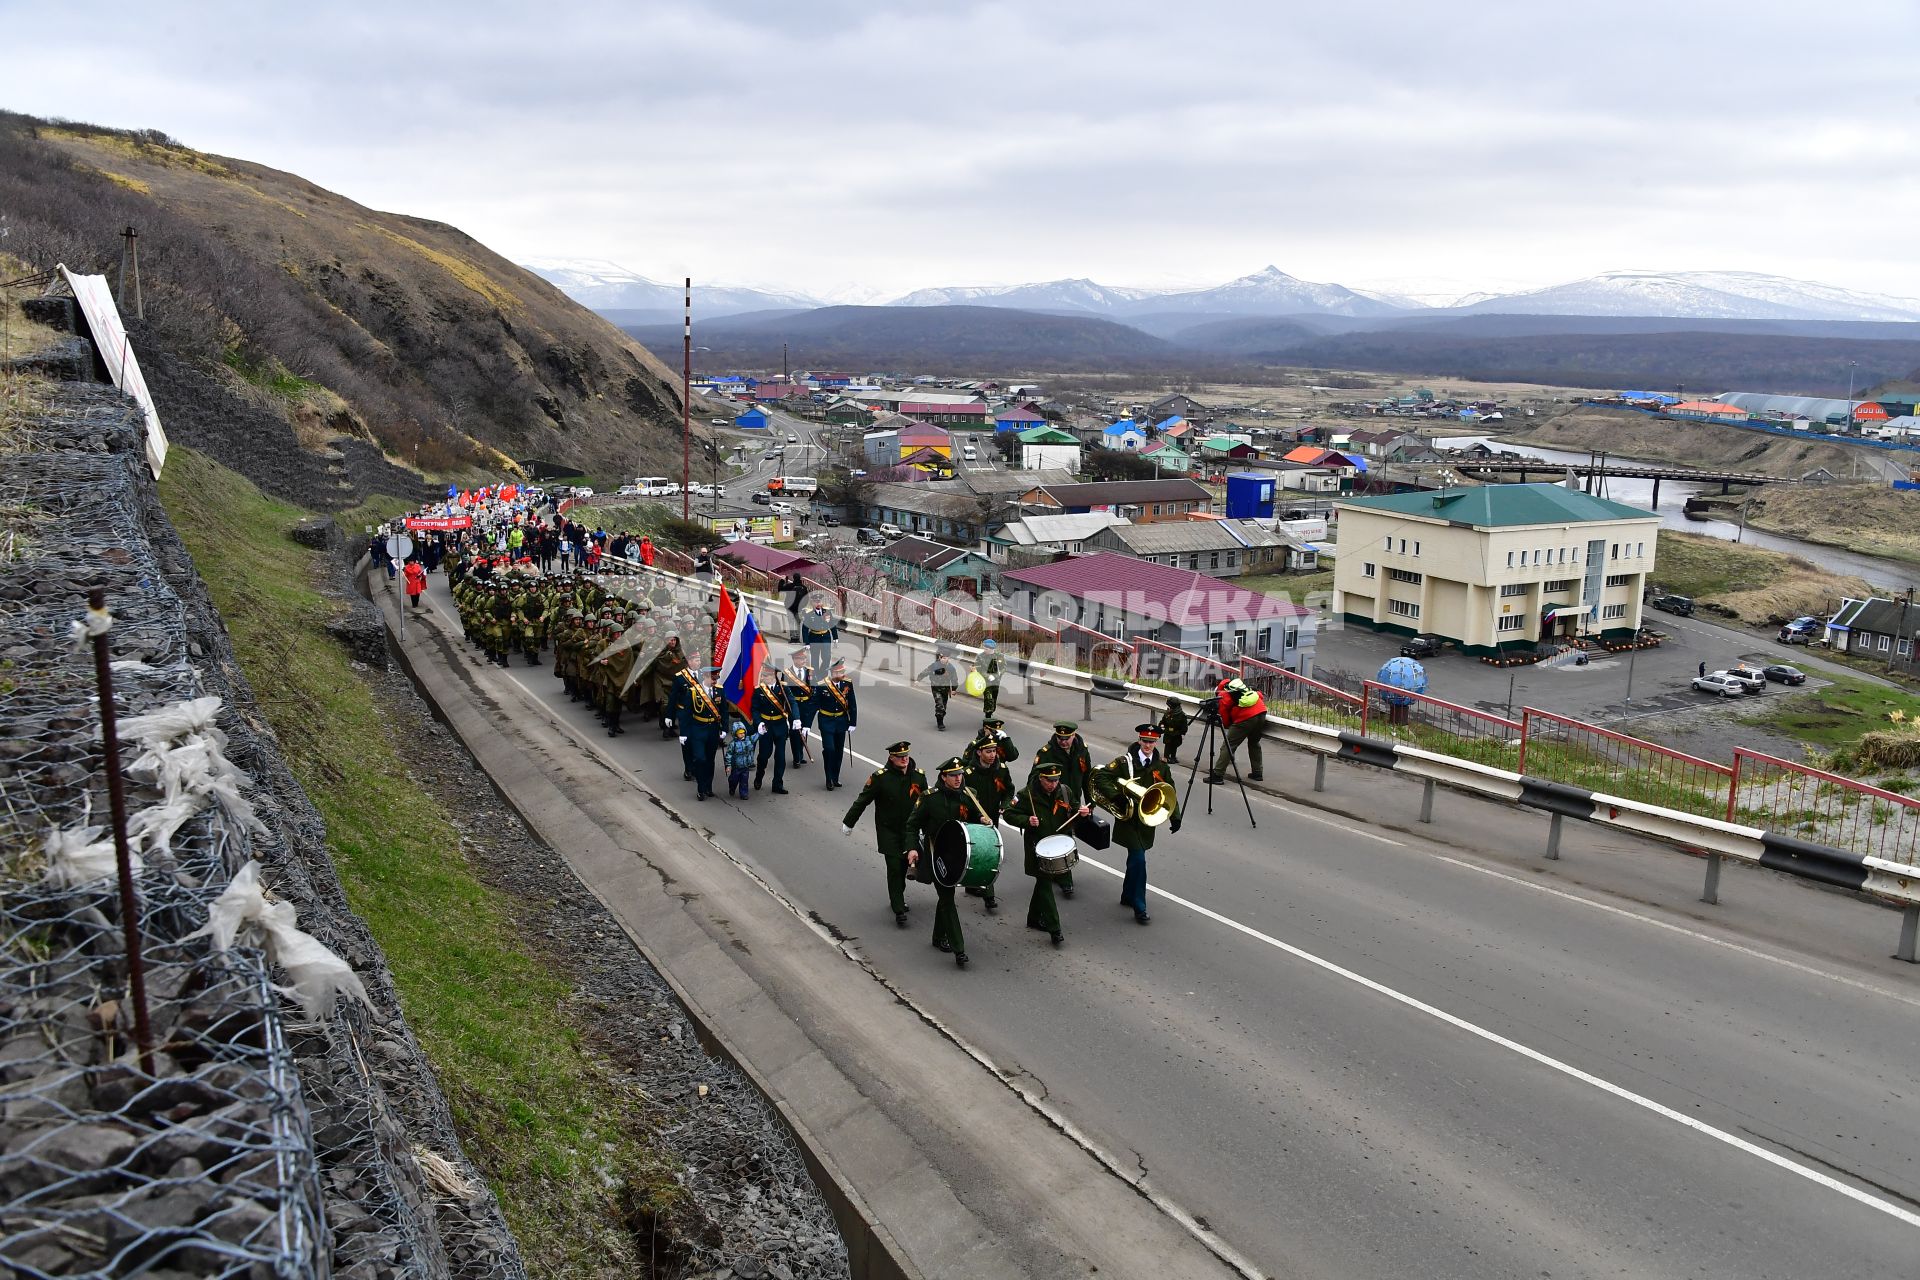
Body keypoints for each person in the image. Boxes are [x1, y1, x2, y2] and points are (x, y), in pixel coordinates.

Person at [1092, 724, 1181, 925]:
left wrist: (1175, 816)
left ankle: (1127, 895)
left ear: (1156, 742)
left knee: (1135, 859)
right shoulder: (1125, 762)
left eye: (1152, 742)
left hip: (1147, 820)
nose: (1148, 745)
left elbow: (1170, 792)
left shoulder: (1161, 767)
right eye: (1145, 741)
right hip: (1129, 819)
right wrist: (1117, 797)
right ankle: (1140, 907)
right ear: (1139, 741)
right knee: (1139, 860)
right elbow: (1102, 777)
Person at [907, 757, 985, 968]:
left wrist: (984, 820)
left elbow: (977, 818)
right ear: (944, 777)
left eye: (960, 775)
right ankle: (959, 949)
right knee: (948, 897)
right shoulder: (929, 798)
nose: (958, 779)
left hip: (960, 854)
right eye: (953, 775)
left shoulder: (970, 795)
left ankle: (937, 936)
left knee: (946, 896)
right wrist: (913, 848)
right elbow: (912, 825)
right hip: (937, 853)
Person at [842, 740, 927, 929]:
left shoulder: (919, 777)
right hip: (888, 830)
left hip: (909, 831)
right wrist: (849, 822)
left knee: (904, 866)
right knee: (894, 867)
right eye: (900, 757)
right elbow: (862, 800)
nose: (904, 759)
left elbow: (925, 804)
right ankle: (898, 909)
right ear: (891, 758)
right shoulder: (880, 778)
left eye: (906, 756)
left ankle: (898, 897)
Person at [1004, 762, 1090, 946]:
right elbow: (1009, 814)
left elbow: (1074, 808)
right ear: (1040, 778)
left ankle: (1034, 919)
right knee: (1044, 883)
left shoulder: (1065, 791)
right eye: (1049, 780)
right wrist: (1027, 820)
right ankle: (1054, 928)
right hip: (1038, 848)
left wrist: (1082, 812)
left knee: (1042, 883)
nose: (1053, 784)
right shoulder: (1026, 795)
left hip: (1059, 846)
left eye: (1056, 780)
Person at [1028, 722, 1093, 899]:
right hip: (1051, 802)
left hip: (1072, 801)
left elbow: (1087, 777)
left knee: (1066, 836)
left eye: (1067, 738)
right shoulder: (1046, 753)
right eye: (1060, 738)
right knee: (1059, 836)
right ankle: (1064, 878)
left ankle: (1059, 872)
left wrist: (1089, 803)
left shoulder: (1082, 750)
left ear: (1074, 736)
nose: (1063, 742)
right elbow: (1033, 780)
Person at [962, 735, 1015, 911]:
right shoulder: (968, 773)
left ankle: (974, 885)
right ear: (979, 752)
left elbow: (1009, 790)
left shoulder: (1001, 769)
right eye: (988, 751)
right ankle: (989, 895)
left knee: (987, 852)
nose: (992, 755)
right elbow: (964, 798)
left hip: (992, 817)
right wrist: (978, 816)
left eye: (994, 751)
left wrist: (1005, 805)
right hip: (973, 819)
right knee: (983, 854)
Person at [1206, 676, 1268, 784]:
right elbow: (1260, 695)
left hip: (1246, 718)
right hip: (1262, 712)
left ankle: (1218, 775)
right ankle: (1257, 773)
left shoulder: (1223, 696)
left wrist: (1231, 726)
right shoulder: (1243, 687)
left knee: (1228, 745)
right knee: (1254, 743)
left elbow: (1224, 720)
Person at [812, 658, 857, 790]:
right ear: (832, 674)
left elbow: (852, 703)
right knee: (829, 749)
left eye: (842, 672)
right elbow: (814, 705)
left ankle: (835, 777)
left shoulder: (847, 683)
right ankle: (828, 778)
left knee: (838, 751)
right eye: (838, 673)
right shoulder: (822, 685)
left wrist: (852, 722)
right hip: (826, 721)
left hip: (841, 722)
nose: (841, 675)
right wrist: (806, 725)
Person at [749, 669, 794, 794]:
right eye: (763, 675)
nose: (764, 678)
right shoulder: (759, 690)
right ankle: (759, 776)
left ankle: (777, 784)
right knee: (764, 755)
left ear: (774, 676)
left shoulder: (783, 688)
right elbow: (755, 709)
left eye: (767, 675)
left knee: (780, 757)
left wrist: (795, 718)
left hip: (780, 725)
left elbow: (792, 703)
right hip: (766, 726)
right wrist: (759, 722)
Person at [781, 650, 814, 766]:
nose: (803, 661)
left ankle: (801, 752)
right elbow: (784, 692)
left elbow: (813, 689)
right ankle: (796, 757)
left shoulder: (809, 672)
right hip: (793, 705)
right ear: (794, 660)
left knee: (804, 730)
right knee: (795, 731)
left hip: (806, 705)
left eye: (804, 659)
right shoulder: (786, 673)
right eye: (801, 659)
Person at [916, 647, 962, 731]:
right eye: (943, 658)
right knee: (940, 705)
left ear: (949, 658)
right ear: (939, 657)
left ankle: (940, 717)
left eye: (946, 658)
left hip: (946, 690)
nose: (944, 660)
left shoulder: (951, 668)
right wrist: (918, 679)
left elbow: (954, 679)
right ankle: (940, 723)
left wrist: (954, 689)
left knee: (943, 707)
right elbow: (925, 672)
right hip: (936, 688)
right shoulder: (935, 665)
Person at [801, 604, 838, 674]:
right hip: (814, 637)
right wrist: (806, 642)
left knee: (827, 657)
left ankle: (823, 673)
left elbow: (832, 624)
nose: (818, 603)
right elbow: (805, 629)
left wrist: (835, 636)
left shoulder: (827, 612)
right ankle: (815, 675)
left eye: (819, 601)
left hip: (826, 637)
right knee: (815, 658)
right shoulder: (809, 614)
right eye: (816, 601)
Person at [973, 638, 1005, 719]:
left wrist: (996, 675)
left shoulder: (999, 656)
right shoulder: (980, 657)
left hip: (996, 682)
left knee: (993, 701)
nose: (984, 650)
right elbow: (978, 669)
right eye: (984, 648)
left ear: (992, 649)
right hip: (985, 683)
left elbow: (1003, 668)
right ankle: (988, 718)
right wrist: (987, 676)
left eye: (986, 649)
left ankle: (990, 712)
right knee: (988, 699)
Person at [724, 723, 757, 799]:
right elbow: (728, 755)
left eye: (743, 733)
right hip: (736, 767)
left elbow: (754, 738)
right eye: (740, 733)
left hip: (745, 766)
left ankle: (744, 794)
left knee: (744, 781)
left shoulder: (748, 740)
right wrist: (728, 765)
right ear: (736, 734)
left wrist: (760, 732)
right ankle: (732, 787)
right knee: (734, 780)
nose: (742, 735)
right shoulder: (733, 744)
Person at [1158, 694, 1190, 765]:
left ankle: (1173, 757)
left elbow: (1184, 726)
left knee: (1174, 745)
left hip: (1176, 733)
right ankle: (1166, 757)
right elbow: (1162, 722)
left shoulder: (1182, 715)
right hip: (1168, 732)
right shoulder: (1168, 713)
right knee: (1167, 744)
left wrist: (1182, 733)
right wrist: (1161, 730)